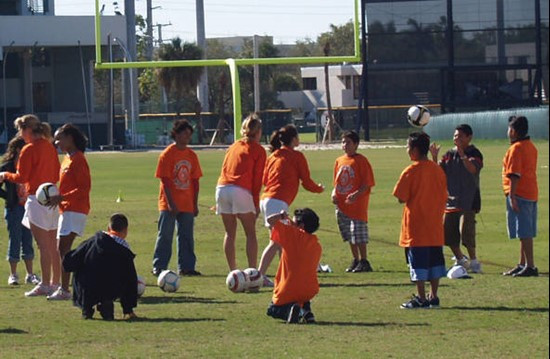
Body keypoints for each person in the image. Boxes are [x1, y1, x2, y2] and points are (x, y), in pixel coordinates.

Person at [0, 115, 61, 297]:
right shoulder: (49, 147)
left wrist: (5, 175)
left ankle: (45, 284)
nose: (20, 134)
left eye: (20, 130)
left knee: (43, 245)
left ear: (27, 130)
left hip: (36, 197)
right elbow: (56, 172)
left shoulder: (29, 149)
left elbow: (22, 177)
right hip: (52, 195)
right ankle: (56, 282)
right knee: (52, 244)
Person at [257, 125, 324, 285]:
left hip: (266, 199)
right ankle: (259, 276)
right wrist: (319, 189)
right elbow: (306, 181)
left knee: (281, 241)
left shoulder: (273, 156)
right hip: (277, 202)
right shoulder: (296, 156)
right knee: (276, 242)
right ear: (294, 139)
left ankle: (285, 276)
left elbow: (264, 180)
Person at [393, 132, 447, 309]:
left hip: (416, 226)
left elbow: (401, 196)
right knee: (435, 262)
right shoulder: (437, 169)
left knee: (418, 264)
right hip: (435, 225)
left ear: (415, 150)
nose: (407, 151)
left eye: (408, 147)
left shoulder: (411, 171)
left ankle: (421, 298)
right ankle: (434, 296)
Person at [429, 124, 483, 273]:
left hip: (469, 199)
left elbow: (473, 169)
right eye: (455, 136)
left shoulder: (474, 153)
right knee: (448, 233)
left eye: (459, 136)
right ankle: (460, 259)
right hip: (451, 200)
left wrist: (462, 154)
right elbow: (439, 173)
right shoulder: (449, 155)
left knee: (466, 231)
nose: (456, 139)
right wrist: (434, 156)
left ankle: (474, 261)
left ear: (469, 137)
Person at [63, 213, 138, 320]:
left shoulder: (91, 242)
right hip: (110, 288)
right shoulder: (124, 251)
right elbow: (130, 280)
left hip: (86, 286)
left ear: (108, 228)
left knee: (84, 274)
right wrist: (128, 309)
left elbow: (71, 260)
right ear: (125, 231)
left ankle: (86, 307)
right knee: (121, 276)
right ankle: (106, 304)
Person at [152, 119, 203, 277]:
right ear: (176, 134)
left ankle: (186, 267)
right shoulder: (167, 155)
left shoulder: (192, 156)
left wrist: (194, 204)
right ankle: (159, 266)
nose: (187, 137)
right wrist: (171, 203)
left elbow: (195, 181)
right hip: (169, 204)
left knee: (186, 236)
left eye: (189, 134)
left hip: (186, 203)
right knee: (165, 235)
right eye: (184, 133)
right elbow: (165, 181)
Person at [46, 124, 91, 300]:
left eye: (59, 138)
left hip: (76, 209)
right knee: (63, 249)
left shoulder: (78, 159)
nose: (56, 142)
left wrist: (62, 197)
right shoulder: (67, 158)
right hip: (67, 209)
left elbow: (84, 188)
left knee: (63, 249)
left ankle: (65, 290)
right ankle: (67, 287)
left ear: (70, 138)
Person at [216, 114, 266, 270]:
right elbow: (257, 181)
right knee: (250, 233)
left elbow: (224, 169)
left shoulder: (234, 146)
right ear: (258, 132)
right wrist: (256, 204)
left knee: (230, 233)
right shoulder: (258, 150)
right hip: (240, 190)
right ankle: (252, 271)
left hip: (222, 188)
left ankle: (233, 272)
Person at [265, 208, 321, 324]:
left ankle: (298, 312)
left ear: (301, 225)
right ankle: (307, 311)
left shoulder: (291, 235)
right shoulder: (316, 244)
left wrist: (281, 216)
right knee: (300, 296)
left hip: (289, 288)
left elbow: (270, 220)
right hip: (309, 290)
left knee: (273, 310)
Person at [332, 130, 375, 273]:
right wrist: (333, 194)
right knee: (349, 235)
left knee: (358, 234)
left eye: (348, 142)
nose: (345, 145)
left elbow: (367, 184)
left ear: (356, 144)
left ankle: (364, 260)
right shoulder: (339, 160)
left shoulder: (361, 161)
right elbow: (336, 183)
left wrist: (356, 194)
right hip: (342, 206)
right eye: (343, 142)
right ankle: (355, 259)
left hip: (357, 206)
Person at [501, 116, 539, 277]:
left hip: (520, 193)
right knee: (525, 231)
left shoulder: (516, 148)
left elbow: (515, 174)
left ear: (514, 131)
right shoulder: (531, 146)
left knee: (524, 232)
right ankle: (522, 263)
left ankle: (530, 265)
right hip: (531, 192)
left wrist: (512, 196)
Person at [0, 136, 40, 286]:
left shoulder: (30, 165)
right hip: (14, 208)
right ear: (18, 149)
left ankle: (30, 274)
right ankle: (13, 274)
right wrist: (9, 198)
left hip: (28, 207)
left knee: (28, 239)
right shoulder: (7, 166)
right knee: (15, 239)